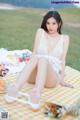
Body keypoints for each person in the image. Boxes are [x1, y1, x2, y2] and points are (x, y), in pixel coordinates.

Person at [4, 11, 73, 110]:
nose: (50, 26)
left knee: (43, 59)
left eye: (53, 23)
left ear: (59, 23)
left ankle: (36, 93)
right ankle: (15, 88)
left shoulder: (65, 38)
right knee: (37, 56)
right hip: (34, 76)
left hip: (51, 78)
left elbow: (63, 59)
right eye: (48, 23)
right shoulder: (40, 32)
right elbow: (34, 53)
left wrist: (61, 79)